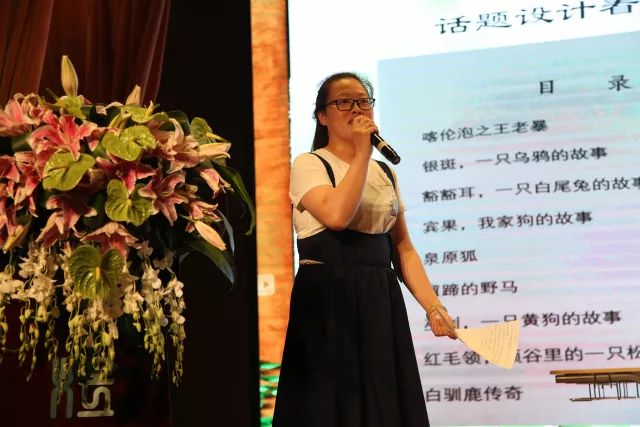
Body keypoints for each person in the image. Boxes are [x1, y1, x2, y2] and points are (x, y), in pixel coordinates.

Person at [273, 72, 457, 427]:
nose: (356, 109)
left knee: (382, 402)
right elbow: (337, 216)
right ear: (322, 116)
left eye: (363, 101)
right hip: (328, 298)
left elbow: (402, 248)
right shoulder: (310, 164)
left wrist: (434, 306)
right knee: (329, 406)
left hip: (379, 299)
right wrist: (361, 154)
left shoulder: (384, 172)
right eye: (344, 102)